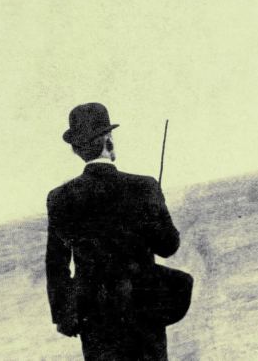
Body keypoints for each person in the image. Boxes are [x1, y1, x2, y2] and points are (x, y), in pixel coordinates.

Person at [46, 103, 181, 360]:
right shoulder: (144, 186)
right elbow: (169, 246)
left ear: (76, 150)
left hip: (96, 323)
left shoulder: (59, 199)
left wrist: (64, 316)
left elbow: (56, 264)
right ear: (109, 140)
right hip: (144, 316)